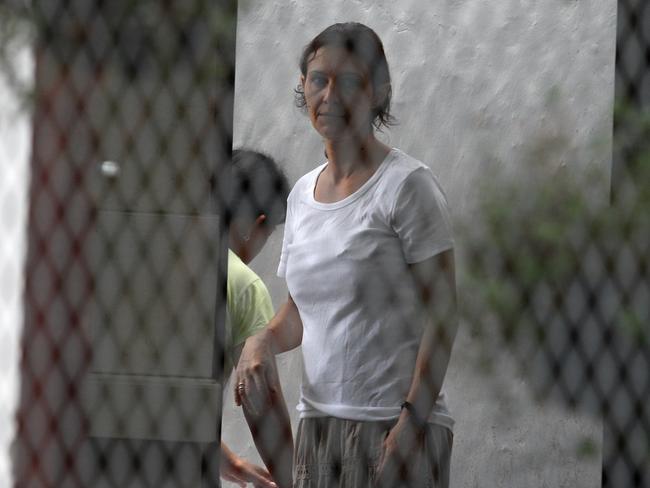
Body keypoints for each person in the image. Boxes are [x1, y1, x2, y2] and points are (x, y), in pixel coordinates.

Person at [235, 23, 458, 488]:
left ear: (379, 93)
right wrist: (260, 341)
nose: (330, 95)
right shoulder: (301, 196)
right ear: (303, 87)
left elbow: (444, 313)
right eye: (319, 79)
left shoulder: (406, 186)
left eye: (351, 82)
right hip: (317, 427)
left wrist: (412, 423)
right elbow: (301, 309)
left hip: (394, 426)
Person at [220, 149, 293, 488]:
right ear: (256, 225)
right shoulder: (243, 284)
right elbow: (262, 404)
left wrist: (227, 460)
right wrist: (293, 481)